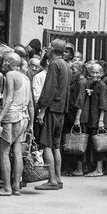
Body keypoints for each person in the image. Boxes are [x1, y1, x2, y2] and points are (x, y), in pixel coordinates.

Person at [0, 52, 34, 196]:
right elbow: (31, 104)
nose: (2, 64)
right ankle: (16, 187)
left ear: (8, 62)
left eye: (3, 61)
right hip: (24, 117)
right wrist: (31, 123)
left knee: (3, 152)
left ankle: (7, 188)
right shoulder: (26, 77)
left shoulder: (10, 75)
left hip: (11, 117)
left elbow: (9, 99)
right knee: (17, 152)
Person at [34, 39, 71, 191]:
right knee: (55, 146)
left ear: (54, 49)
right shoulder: (66, 65)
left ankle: (52, 180)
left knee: (47, 144)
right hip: (61, 109)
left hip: (51, 109)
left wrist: (42, 110)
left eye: (49, 47)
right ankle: (58, 178)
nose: (46, 49)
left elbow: (49, 89)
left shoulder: (54, 65)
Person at [83, 63, 107, 178]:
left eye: (97, 72)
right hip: (92, 118)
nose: (95, 75)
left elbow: (103, 104)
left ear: (101, 73)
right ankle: (96, 168)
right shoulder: (91, 84)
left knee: (99, 144)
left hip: (98, 118)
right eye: (92, 72)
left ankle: (99, 169)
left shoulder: (102, 85)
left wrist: (101, 120)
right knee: (94, 144)